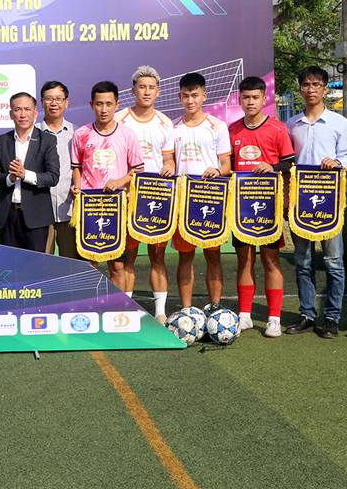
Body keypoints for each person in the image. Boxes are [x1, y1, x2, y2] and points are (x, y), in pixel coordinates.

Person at [285, 66, 347, 339]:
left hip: (330, 203)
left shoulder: (339, 123)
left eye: (316, 84)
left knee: (334, 262)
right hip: (300, 203)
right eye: (306, 84)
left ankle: (332, 317)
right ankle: (307, 314)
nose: (311, 89)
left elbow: (346, 159)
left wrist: (336, 162)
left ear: (325, 88)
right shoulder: (291, 124)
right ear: (300, 89)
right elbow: (287, 163)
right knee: (303, 261)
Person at [228, 76, 295, 338]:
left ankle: (274, 318)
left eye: (255, 97)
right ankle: (244, 315)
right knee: (243, 260)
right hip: (240, 207)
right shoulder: (232, 130)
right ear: (240, 99)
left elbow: (290, 163)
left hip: (268, 207)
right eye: (246, 97)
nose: (251, 102)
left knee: (270, 260)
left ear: (264, 99)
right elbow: (227, 166)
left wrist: (273, 167)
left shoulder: (277, 129)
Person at [113, 66, 176, 322]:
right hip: (127, 198)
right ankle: (126, 311)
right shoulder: (119, 119)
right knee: (127, 255)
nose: (146, 91)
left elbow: (169, 159)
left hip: (156, 198)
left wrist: (169, 167)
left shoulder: (165, 122)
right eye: (142, 87)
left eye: (151, 87)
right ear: (133, 90)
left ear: (158, 91)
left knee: (157, 255)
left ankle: (160, 312)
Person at [71, 81, 143, 289]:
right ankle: (90, 310)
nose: (104, 109)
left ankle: (119, 312)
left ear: (117, 104)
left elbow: (137, 169)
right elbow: (76, 168)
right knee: (89, 263)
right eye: (99, 104)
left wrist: (119, 182)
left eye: (109, 104)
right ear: (91, 104)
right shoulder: (81, 134)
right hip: (90, 207)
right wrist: (77, 187)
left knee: (118, 265)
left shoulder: (127, 134)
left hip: (117, 208)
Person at [172, 72, 232, 310]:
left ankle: (215, 307)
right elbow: (169, 162)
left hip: (210, 200)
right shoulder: (173, 127)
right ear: (180, 96)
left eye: (195, 95)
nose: (190, 100)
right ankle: (186, 310)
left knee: (213, 256)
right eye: (186, 95)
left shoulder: (217, 126)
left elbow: (226, 165)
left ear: (204, 96)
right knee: (185, 256)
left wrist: (218, 171)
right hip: (182, 202)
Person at [0, 92, 60, 250]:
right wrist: (10, 177)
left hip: (36, 217)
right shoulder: (1, 142)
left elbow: (53, 176)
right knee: (10, 268)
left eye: (27, 109)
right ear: (11, 114)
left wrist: (25, 175)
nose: (23, 114)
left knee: (36, 268)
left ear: (35, 113)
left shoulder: (47, 140)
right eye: (17, 109)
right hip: (8, 216)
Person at [36, 80, 77, 257]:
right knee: (42, 265)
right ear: (42, 101)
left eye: (59, 99)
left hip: (69, 210)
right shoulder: (32, 133)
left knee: (72, 265)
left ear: (67, 102)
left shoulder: (77, 133)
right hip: (40, 212)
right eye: (49, 99)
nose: (54, 103)